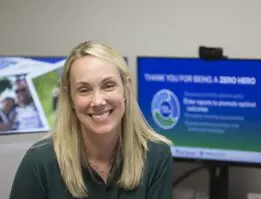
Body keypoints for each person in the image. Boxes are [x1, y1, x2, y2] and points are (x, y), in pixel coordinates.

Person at [9, 41, 174, 199]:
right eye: (84, 89)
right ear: (70, 98)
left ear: (126, 89)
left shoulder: (156, 156)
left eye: (108, 85)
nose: (98, 101)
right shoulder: (39, 163)